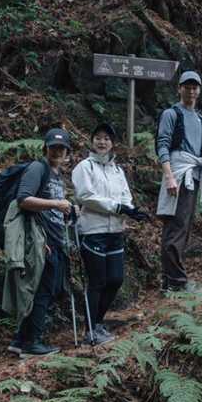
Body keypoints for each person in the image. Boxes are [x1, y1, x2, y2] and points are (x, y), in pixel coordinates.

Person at [72, 121, 147, 339]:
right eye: (98, 138)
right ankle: (90, 331)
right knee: (97, 282)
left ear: (112, 143)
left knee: (115, 279)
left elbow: (125, 196)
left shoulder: (117, 170)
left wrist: (131, 211)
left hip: (115, 231)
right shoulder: (84, 167)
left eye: (106, 139)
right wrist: (118, 208)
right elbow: (86, 196)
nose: (102, 142)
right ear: (92, 141)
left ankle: (98, 323)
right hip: (92, 231)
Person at [8, 127, 73, 356]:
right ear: (45, 148)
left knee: (45, 290)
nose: (57, 152)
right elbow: (23, 199)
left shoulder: (56, 175)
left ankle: (20, 340)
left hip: (54, 239)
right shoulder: (38, 168)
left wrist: (66, 209)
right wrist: (56, 204)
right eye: (53, 147)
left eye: (61, 148)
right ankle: (32, 343)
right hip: (41, 240)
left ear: (67, 152)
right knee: (43, 291)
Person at [156, 72, 202, 292]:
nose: (191, 91)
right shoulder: (171, 114)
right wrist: (169, 176)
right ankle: (176, 281)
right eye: (187, 87)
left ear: (199, 91)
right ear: (179, 89)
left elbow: (196, 148)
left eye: (195, 87)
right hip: (179, 174)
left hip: (193, 174)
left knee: (184, 226)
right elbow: (163, 144)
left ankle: (170, 280)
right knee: (176, 227)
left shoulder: (200, 118)